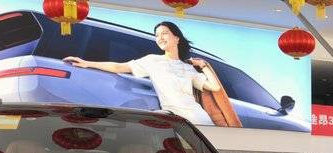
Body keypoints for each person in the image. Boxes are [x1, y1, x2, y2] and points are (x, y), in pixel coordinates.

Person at [63, 22, 222, 126]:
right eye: (157, 35)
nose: (159, 38)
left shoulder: (188, 68)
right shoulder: (153, 60)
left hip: (201, 119)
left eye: (164, 33)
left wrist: (204, 65)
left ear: (177, 38)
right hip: (179, 120)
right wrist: (87, 63)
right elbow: (120, 67)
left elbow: (215, 87)